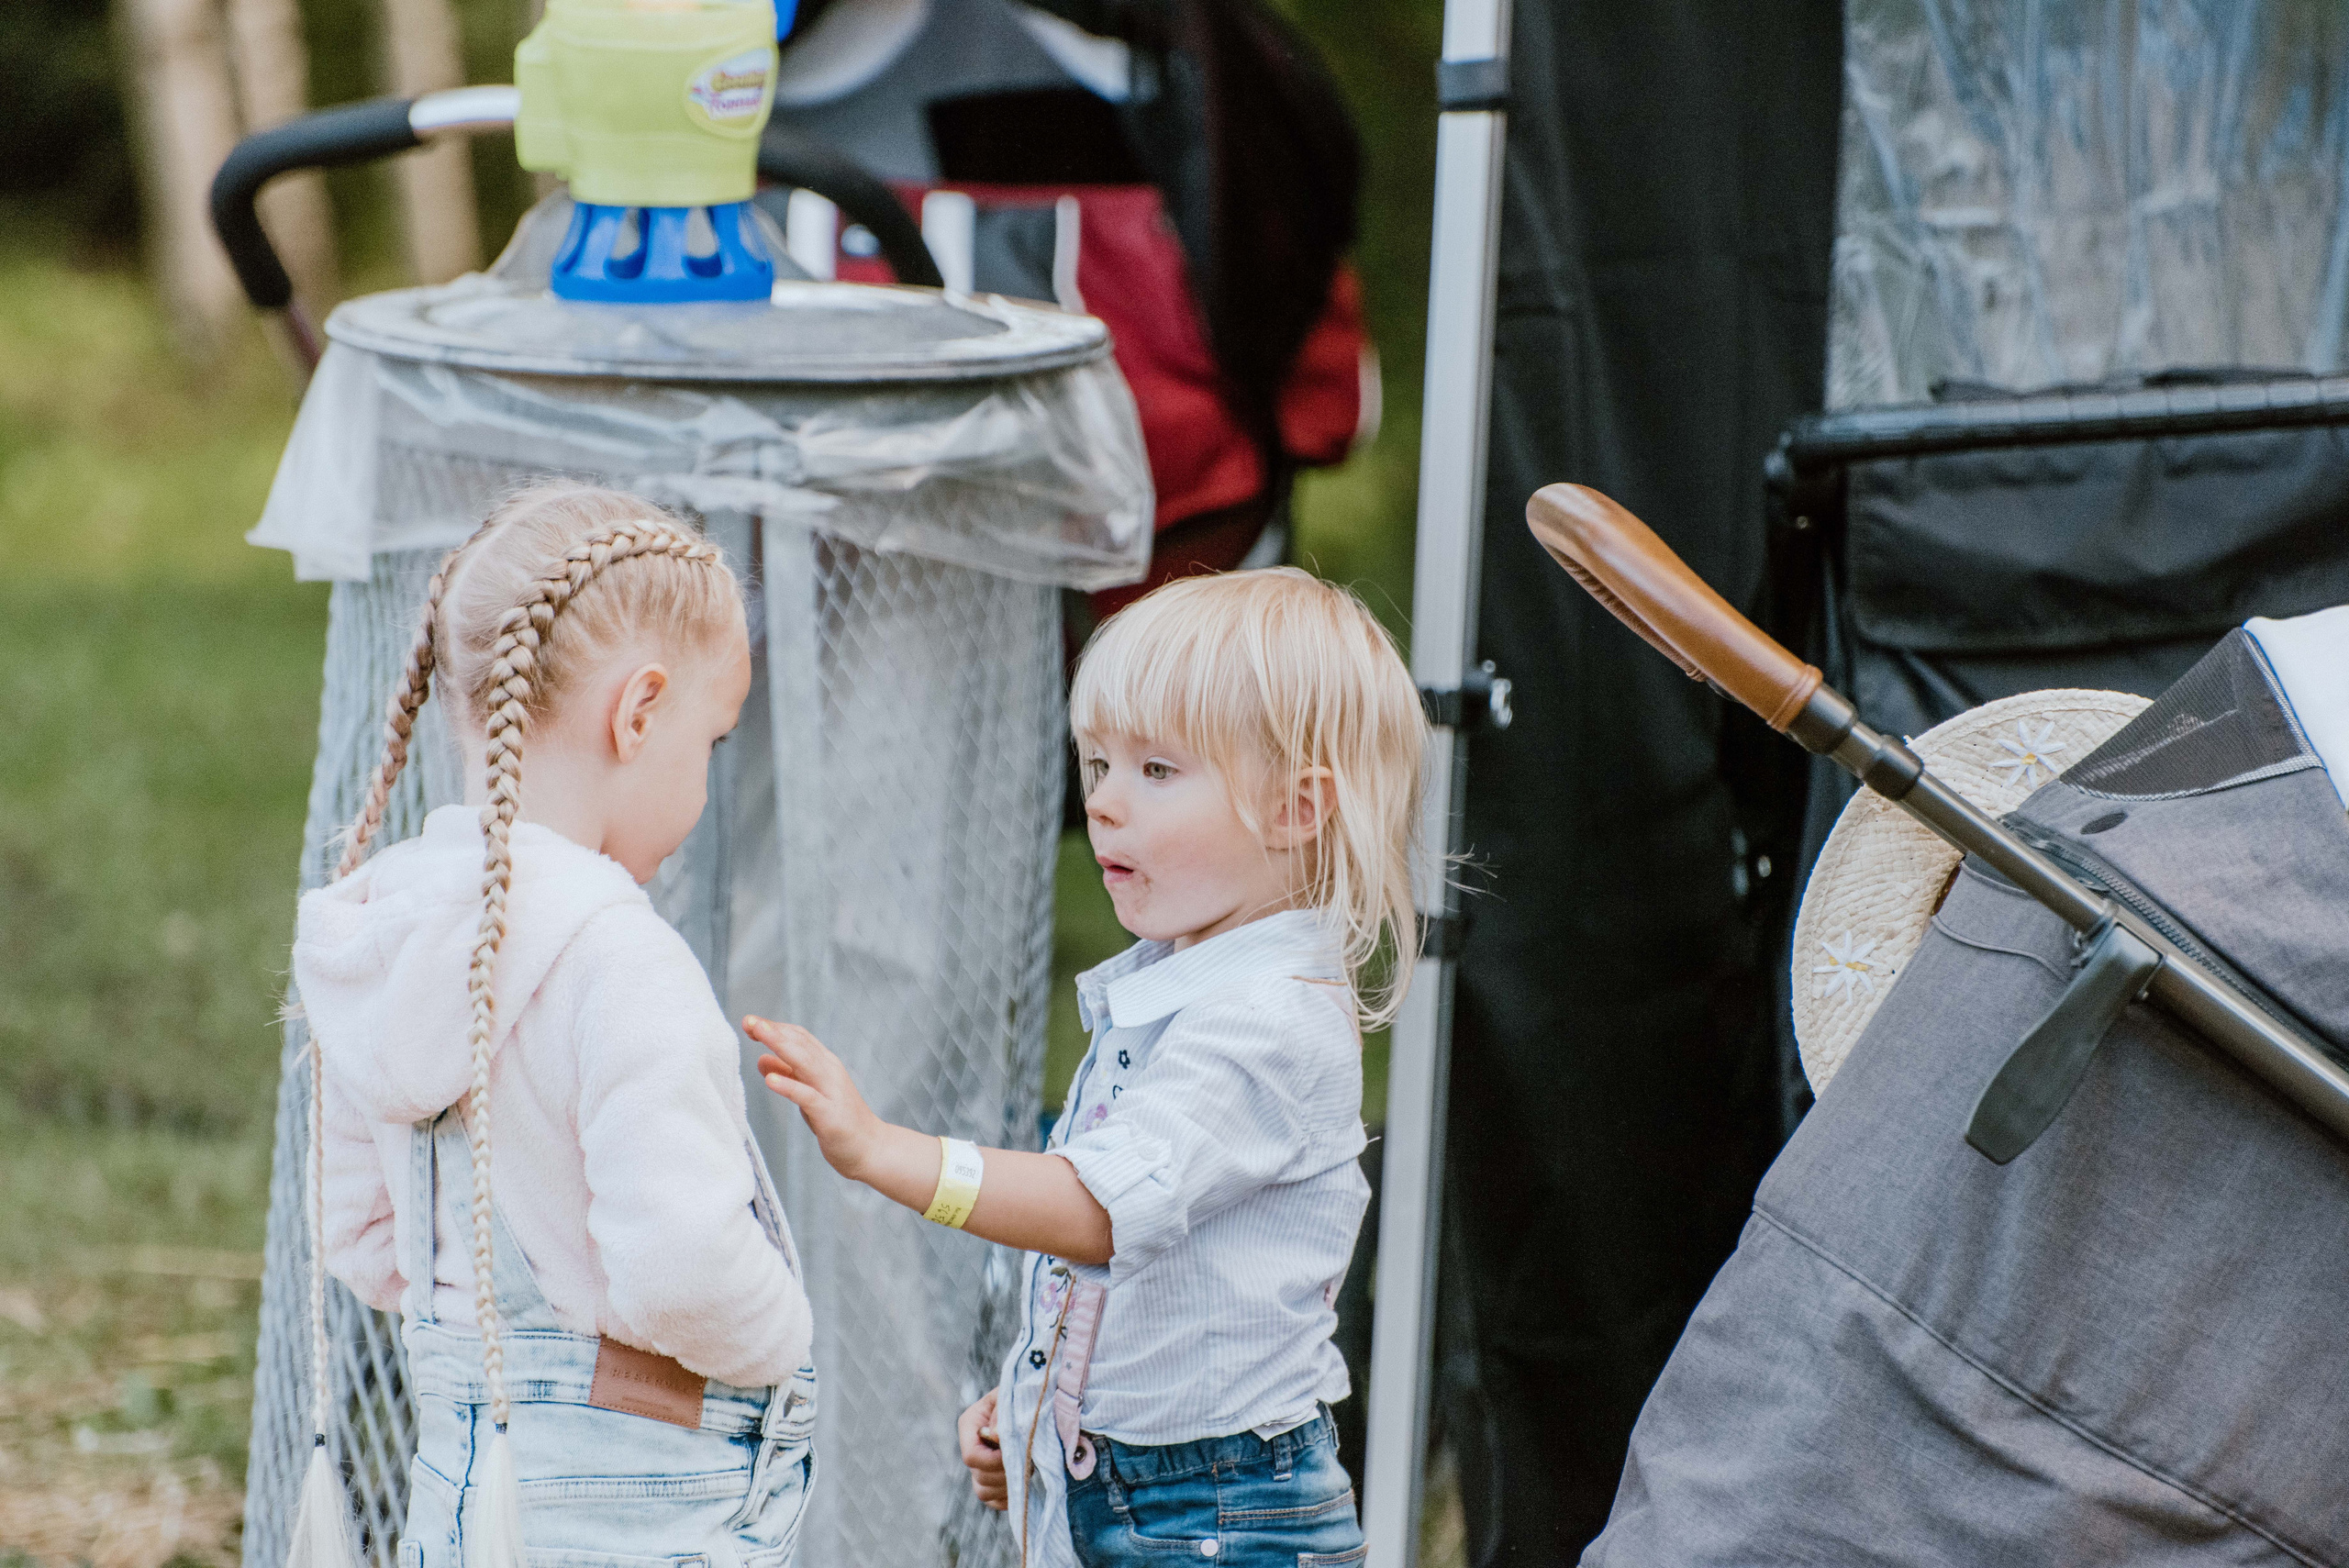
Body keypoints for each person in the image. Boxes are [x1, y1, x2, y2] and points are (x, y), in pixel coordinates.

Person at [748, 566, 1423, 1566]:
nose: (1102, 802)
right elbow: (1147, 1288)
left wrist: (886, 1152)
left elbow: (1096, 1210)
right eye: (1097, 762)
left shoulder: (1268, 1023)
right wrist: (1031, 1413)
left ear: (1294, 807)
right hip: (1137, 1487)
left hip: (1219, 1515)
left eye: (1156, 770)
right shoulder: (1173, 984)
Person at [295, 484, 818, 1566]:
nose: (706, 779)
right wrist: (781, 1333)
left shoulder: (381, 930)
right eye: (711, 739)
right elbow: (683, 1269)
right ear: (638, 711)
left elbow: (356, 1232)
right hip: (643, 1493)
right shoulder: (619, 958)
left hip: (460, 1490)